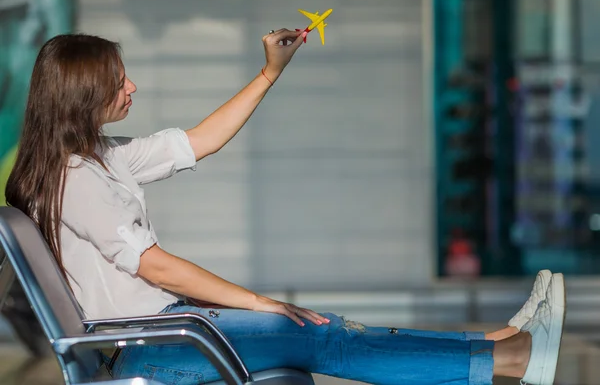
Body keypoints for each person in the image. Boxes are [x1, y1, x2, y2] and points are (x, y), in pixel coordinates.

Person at [4, 32, 565, 385]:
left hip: (170, 329)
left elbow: (200, 140)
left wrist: (271, 71)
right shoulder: (73, 179)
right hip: (157, 348)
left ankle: (492, 345)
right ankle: (506, 363)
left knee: (332, 328)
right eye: (117, 80)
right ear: (82, 94)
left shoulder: (95, 156)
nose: (132, 86)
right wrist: (261, 303)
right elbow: (155, 266)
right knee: (324, 333)